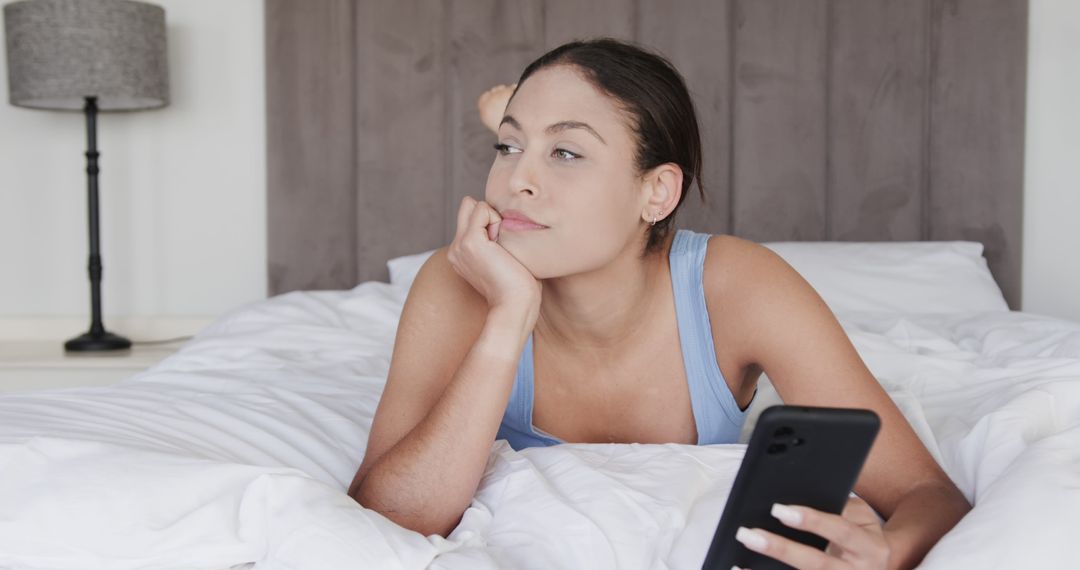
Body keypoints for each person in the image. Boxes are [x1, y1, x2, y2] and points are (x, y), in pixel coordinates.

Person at [348, 38, 970, 569]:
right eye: (506, 147)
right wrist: (507, 320)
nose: (515, 182)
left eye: (566, 152)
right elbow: (390, 515)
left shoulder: (739, 286)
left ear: (658, 191)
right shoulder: (458, 281)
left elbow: (926, 494)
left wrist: (889, 551)